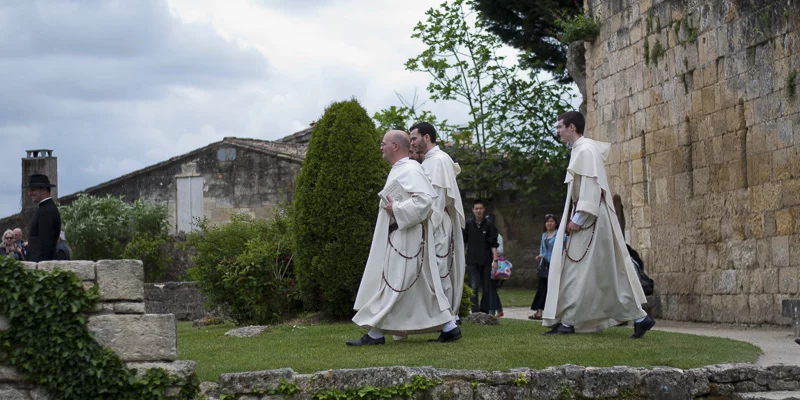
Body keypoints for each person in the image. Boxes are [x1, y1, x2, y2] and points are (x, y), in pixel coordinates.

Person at [543, 111, 655, 338]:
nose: (558, 131)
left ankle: (568, 322)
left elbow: (591, 189)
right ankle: (640, 317)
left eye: (560, 126)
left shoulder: (586, 150)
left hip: (591, 221)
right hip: (592, 219)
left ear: (572, 127)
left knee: (575, 270)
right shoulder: (582, 150)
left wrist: (578, 219)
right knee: (605, 275)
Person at [347, 130, 455, 346]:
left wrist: (396, 208)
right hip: (401, 234)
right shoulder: (402, 169)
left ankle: (375, 334)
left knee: (394, 282)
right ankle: (449, 326)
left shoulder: (410, 170)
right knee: (416, 285)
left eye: (383, 143)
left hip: (407, 238)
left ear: (395, 146)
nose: (381, 147)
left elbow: (425, 201)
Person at [409, 122, 466, 341]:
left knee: (440, 273)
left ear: (427, 137)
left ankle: (449, 323)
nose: (412, 143)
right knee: (433, 274)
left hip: (437, 224)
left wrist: (425, 229)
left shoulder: (439, 161)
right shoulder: (429, 161)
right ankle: (443, 322)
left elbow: (437, 201)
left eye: (414, 138)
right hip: (430, 223)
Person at [463, 200, 502, 317]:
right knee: (473, 286)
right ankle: (475, 312)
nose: (478, 211)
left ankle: (484, 312)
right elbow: (463, 241)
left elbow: (493, 243)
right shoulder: (468, 224)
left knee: (486, 288)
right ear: (473, 210)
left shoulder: (489, 224)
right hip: (472, 260)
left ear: (483, 209)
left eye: (480, 208)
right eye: (476, 208)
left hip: (486, 261)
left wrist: (495, 260)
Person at [529, 214, 559, 320]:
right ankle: (539, 311)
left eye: (551, 221)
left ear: (556, 223)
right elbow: (542, 249)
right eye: (547, 221)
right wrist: (540, 256)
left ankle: (554, 312)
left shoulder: (559, 235)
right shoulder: (544, 235)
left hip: (554, 264)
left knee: (552, 288)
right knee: (542, 287)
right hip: (544, 264)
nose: (549, 223)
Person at [26, 174, 61, 262]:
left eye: (33, 190)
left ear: (44, 190)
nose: (29, 193)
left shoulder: (46, 211)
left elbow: (45, 245)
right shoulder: (45, 209)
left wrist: (40, 267)